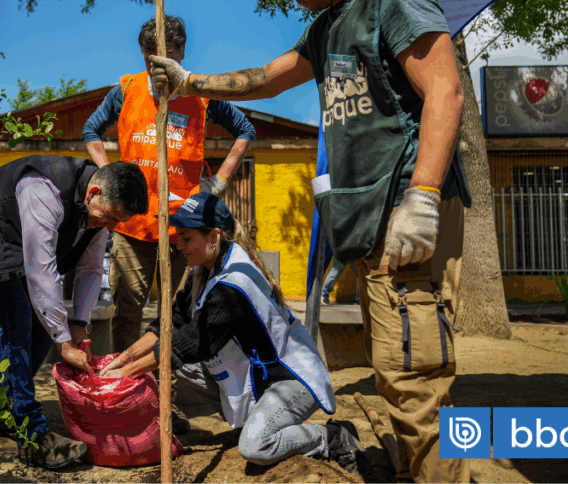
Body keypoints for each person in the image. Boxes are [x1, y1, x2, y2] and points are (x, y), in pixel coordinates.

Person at [147, 0, 471, 481]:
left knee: (414, 381)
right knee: (394, 377)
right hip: (369, 228)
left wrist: (424, 197)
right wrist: (190, 83)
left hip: (405, 217)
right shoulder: (327, 29)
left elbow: (446, 89)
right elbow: (267, 78)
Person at [99, 193, 370, 474]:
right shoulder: (204, 271)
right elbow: (171, 323)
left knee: (255, 447)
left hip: (290, 380)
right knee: (183, 368)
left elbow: (188, 345)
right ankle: (256, 419)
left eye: (187, 238)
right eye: (177, 236)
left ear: (214, 235)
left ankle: (331, 436)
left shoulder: (233, 285)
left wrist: (123, 376)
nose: (178, 245)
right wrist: (122, 359)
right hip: (255, 376)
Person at [0, 156, 149, 470]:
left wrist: (78, 324)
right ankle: (32, 435)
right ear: (92, 193)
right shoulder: (43, 189)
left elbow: (90, 269)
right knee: (16, 327)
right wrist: (64, 344)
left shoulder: (100, 210)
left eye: (116, 222)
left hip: (14, 243)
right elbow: (41, 271)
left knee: (42, 328)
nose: (109, 227)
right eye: (108, 217)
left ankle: (0, 411)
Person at [83, 15, 256, 361]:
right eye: (151, 58)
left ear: (182, 52)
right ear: (142, 54)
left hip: (183, 227)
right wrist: (108, 177)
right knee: (128, 311)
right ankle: (129, 387)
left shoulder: (201, 95)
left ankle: (168, 391)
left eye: (169, 57)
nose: (159, 65)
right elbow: (91, 131)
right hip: (132, 226)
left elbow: (245, 130)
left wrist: (219, 182)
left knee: (177, 313)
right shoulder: (127, 90)